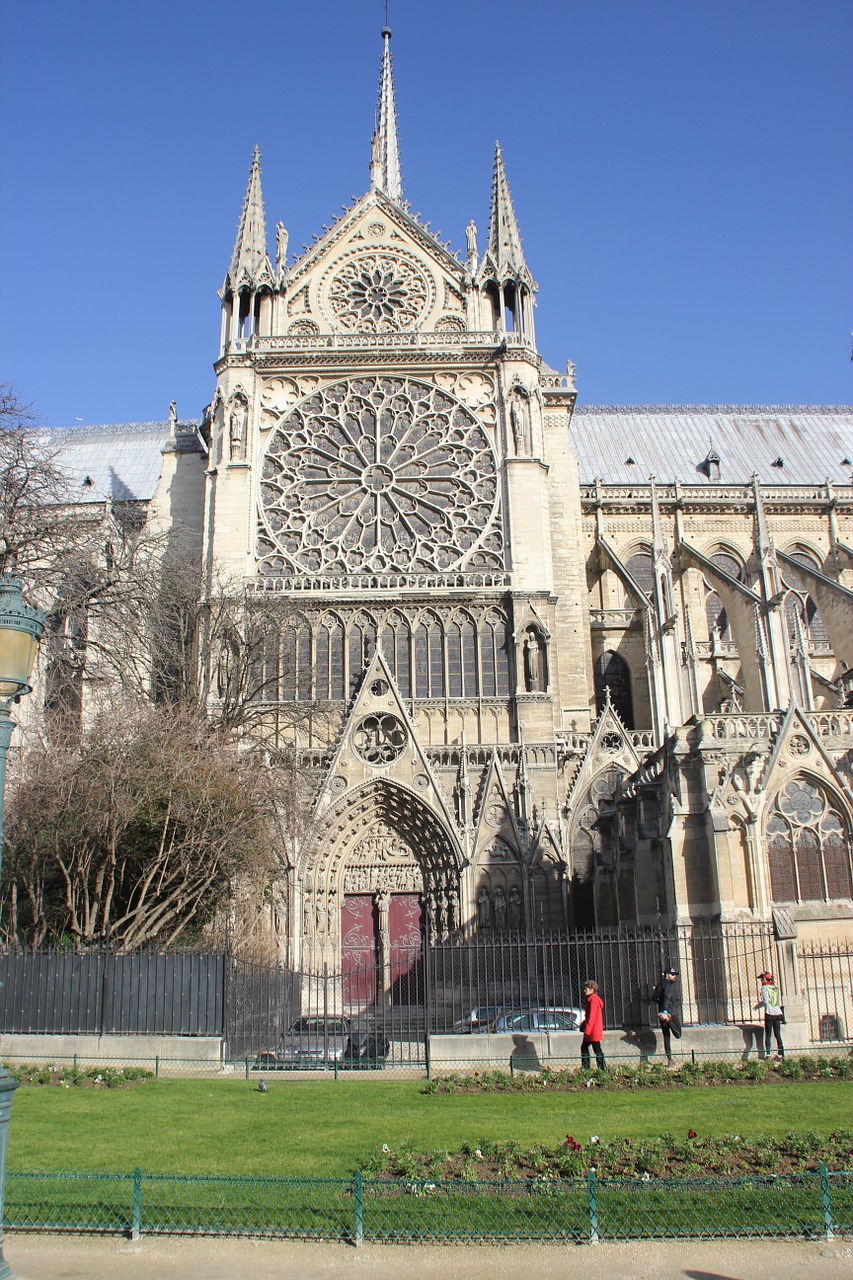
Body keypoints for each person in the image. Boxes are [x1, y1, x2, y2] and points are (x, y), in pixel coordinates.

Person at [654, 966, 682, 1065]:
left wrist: (662, 1011)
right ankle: (669, 1021)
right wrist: (665, 1011)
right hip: (670, 1013)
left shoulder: (660, 985)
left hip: (662, 1013)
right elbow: (666, 997)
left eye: (675, 975)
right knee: (678, 1034)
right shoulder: (669, 985)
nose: (674, 977)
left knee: (666, 1036)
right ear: (667, 975)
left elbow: (656, 998)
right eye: (672, 975)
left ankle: (669, 1059)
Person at [754, 970, 784, 1059]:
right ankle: (781, 1054)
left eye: (761, 979)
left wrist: (758, 1006)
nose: (761, 981)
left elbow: (766, 1002)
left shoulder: (764, 988)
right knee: (778, 1034)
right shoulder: (775, 987)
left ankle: (768, 1054)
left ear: (764, 979)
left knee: (768, 1034)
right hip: (778, 1013)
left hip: (769, 1013)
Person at [579, 980, 605, 1071]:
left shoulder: (593, 1000)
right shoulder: (592, 1000)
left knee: (594, 1049)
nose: (584, 991)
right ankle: (600, 1068)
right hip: (593, 1030)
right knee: (594, 1049)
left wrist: (587, 1030)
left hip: (592, 1031)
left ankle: (591, 1068)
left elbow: (592, 1017)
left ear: (592, 989)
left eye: (586, 989)